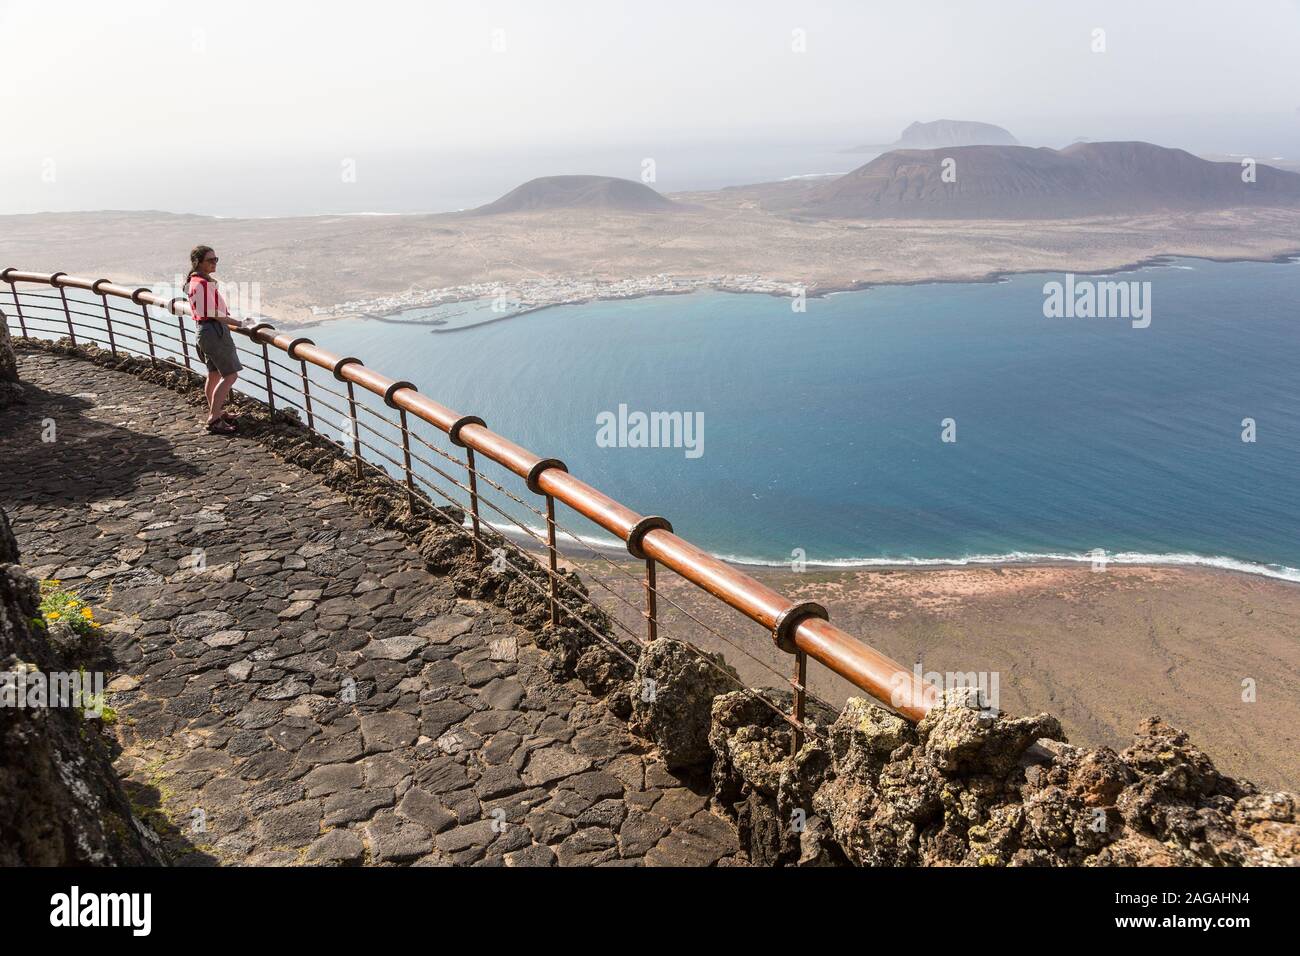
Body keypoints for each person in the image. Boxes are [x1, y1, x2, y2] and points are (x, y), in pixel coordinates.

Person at [185, 245, 242, 434]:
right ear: (198, 262)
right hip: (214, 331)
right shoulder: (200, 283)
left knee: (214, 374)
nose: (214, 263)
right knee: (231, 375)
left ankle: (216, 411)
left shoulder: (194, 281)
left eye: (216, 259)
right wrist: (240, 323)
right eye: (210, 260)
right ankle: (214, 418)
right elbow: (213, 313)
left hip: (204, 331)